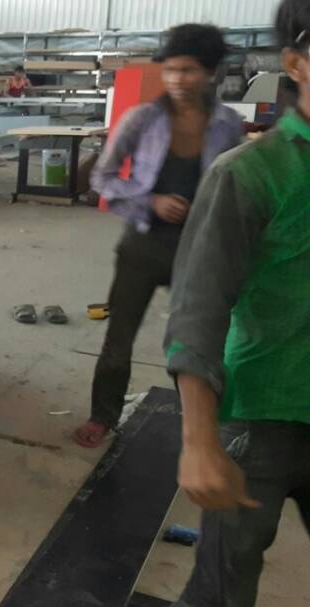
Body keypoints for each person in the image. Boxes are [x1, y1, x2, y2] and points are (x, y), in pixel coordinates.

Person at [166, 1, 310, 604]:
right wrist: (200, 440)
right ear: (296, 63)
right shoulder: (252, 172)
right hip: (260, 415)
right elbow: (198, 309)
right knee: (223, 585)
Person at [72, 24, 244, 448]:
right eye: (171, 70)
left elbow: (235, 186)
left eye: (188, 70)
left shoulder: (228, 125)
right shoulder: (142, 119)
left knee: (201, 340)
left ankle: (204, 424)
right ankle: (103, 415)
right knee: (120, 335)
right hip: (143, 246)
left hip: (199, 250)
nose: (177, 80)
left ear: (210, 72)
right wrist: (150, 200)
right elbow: (103, 177)